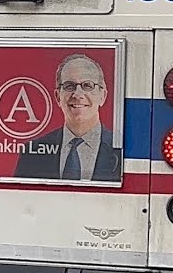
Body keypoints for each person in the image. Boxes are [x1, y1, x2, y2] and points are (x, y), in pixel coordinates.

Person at [15, 53, 120, 181]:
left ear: (102, 96)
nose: (78, 94)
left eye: (87, 85)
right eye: (69, 86)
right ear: (58, 96)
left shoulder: (121, 150)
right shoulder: (33, 151)